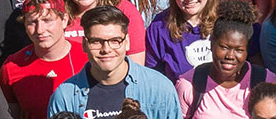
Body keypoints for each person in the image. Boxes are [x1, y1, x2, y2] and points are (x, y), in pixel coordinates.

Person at [46, 6, 183, 119]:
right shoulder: (65, 96)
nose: (106, 49)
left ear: (127, 42)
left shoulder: (159, 88)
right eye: (96, 42)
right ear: (84, 44)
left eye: (115, 41)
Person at [0, 0, 84, 119]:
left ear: (64, 20)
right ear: (25, 26)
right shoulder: (11, 67)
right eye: (32, 22)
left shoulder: (89, 57)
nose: (40, 30)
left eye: (47, 20)